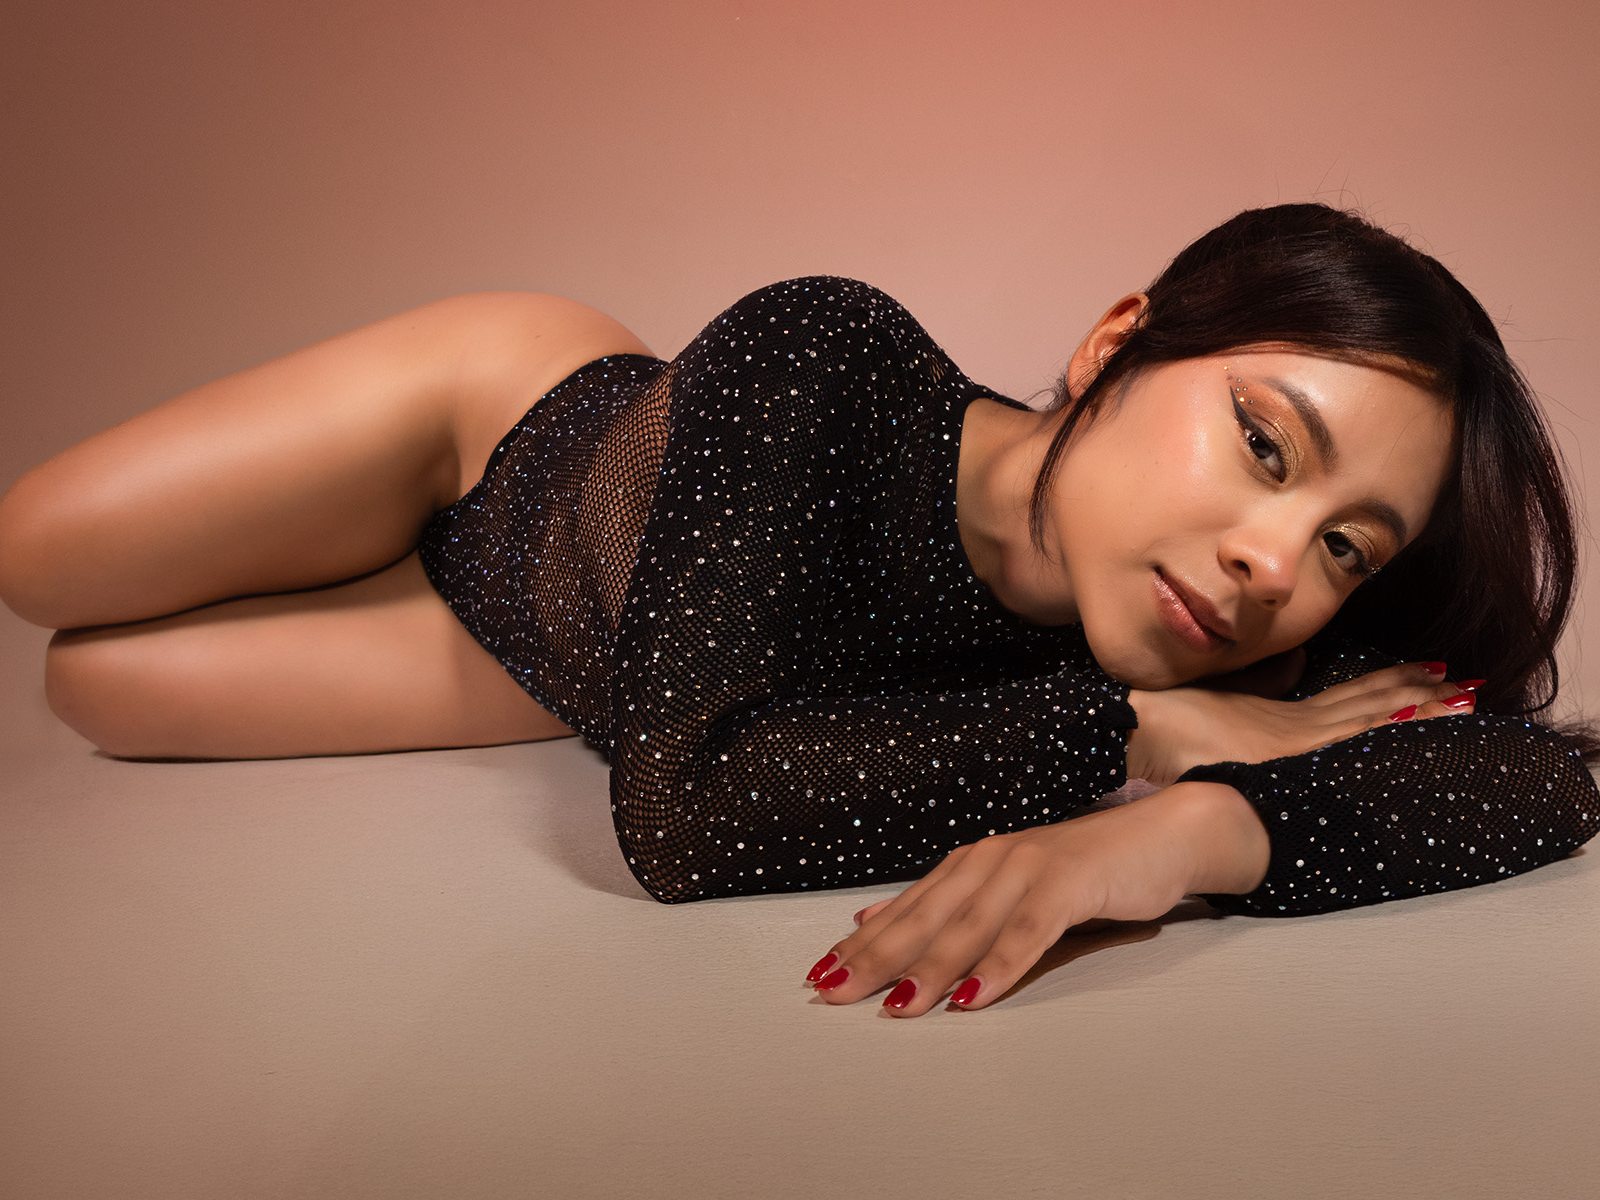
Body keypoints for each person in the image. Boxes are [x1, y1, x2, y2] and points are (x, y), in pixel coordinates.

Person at [1, 203, 1595, 1020]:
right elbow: (689, 818)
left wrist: (1187, 833)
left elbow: (1548, 777)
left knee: (99, 691)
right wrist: (1138, 732)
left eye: (1347, 548)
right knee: (39, 564)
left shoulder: (1221, 626)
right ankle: (386, 504)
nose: (1274, 563)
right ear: (1118, 343)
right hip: (500, 430)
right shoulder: (826, 354)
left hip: (574, 662)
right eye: (1264, 445)